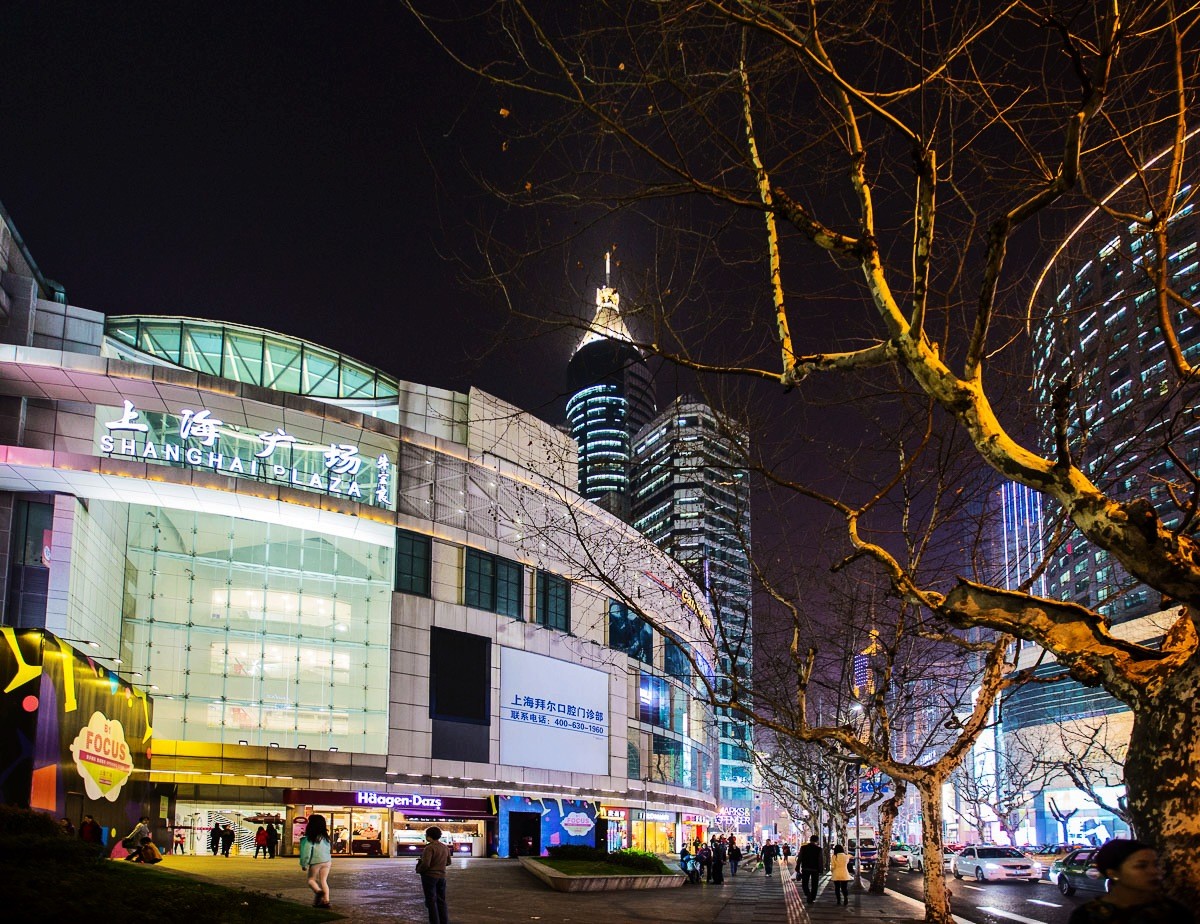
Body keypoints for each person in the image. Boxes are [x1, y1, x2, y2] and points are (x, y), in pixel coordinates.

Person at [1067, 839, 1195, 924]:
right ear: (1113, 873)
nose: (1154, 871)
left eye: (1156, 864)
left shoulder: (1173, 912)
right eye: (1141, 866)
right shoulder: (1087, 916)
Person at [415, 825, 452, 924]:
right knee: (441, 901)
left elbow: (426, 864)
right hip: (442, 877)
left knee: (431, 902)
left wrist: (419, 869)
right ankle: (444, 921)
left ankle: (434, 921)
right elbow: (448, 862)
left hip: (429, 877)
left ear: (429, 836)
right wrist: (439, 864)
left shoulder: (429, 848)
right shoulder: (445, 847)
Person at [299, 813, 333, 909]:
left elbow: (306, 853)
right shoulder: (326, 837)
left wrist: (304, 864)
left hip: (315, 861)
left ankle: (318, 892)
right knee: (324, 881)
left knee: (311, 880)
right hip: (327, 861)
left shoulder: (309, 838)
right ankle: (326, 901)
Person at [798, 834, 824, 904]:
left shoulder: (803, 848)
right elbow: (820, 860)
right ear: (817, 841)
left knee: (804, 883)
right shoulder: (819, 849)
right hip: (815, 869)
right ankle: (812, 898)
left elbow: (799, 858)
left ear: (810, 840)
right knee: (814, 884)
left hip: (805, 868)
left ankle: (808, 894)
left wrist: (797, 866)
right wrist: (821, 870)